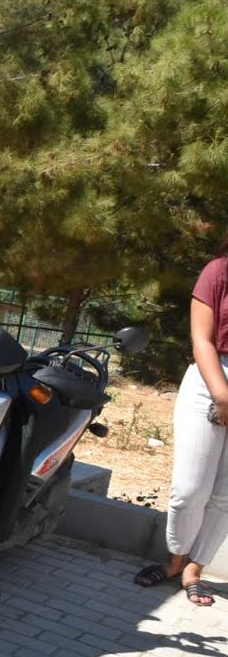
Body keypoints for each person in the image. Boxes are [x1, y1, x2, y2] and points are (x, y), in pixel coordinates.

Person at [134, 237, 228, 607]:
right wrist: (222, 395)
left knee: (225, 495)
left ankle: (195, 569)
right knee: (190, 489)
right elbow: (201, 341)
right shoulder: (218, 272)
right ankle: (175, 559)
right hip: (210, 380)